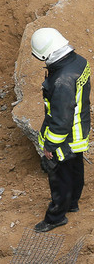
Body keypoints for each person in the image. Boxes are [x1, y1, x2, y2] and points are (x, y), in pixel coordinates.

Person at [31, 28, 90, 232]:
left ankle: (56, 217)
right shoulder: (79, 61)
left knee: (59, 178)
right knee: (75, 169)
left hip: (65, 137)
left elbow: (62, 118)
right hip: (79, 130)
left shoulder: (61, 80)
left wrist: (51, 146)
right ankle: (72, 203)